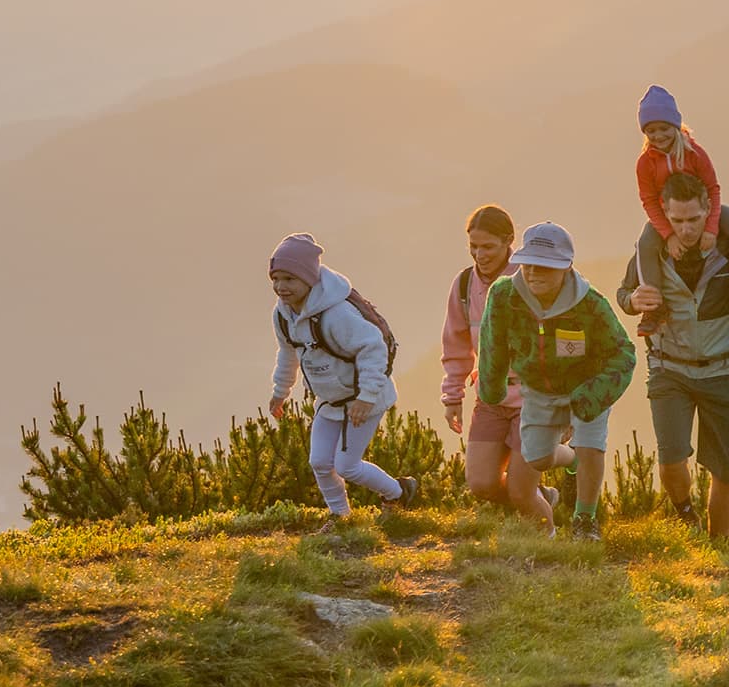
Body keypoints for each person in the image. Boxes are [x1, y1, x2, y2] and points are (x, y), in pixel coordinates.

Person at [617, 173, 729, 539]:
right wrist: (631, 301)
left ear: (709, 210)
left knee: (725, 470)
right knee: (671, 458)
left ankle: (717, 545)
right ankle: (685, 512)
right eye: (677, 221)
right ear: (665, 216)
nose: (686, 230)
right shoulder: (653, 249)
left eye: (694, 220)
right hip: (669, 369)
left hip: (726, 369)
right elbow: (626, 292)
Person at [477, 222, 635, 541]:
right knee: (539, 458)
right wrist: (490, 389)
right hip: (537, 391)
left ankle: (585, 521)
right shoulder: (504, 295)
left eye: (545, 266)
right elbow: (491, 343)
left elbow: (624, 352)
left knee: (592, 445)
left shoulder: (590, 304)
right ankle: (572, 457)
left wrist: (592, 397)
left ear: (566, 267)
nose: (535, 272)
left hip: (587, 387)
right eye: (529, 263)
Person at [266, 233, 418, 525]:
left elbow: (373, 348)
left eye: (289, 279)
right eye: (275, 278)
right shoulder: (283, 315)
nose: (280, 287)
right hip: (331, 400)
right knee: (320, 462)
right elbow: (287, 352)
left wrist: (366, 397)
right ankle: (340, 515)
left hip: (364, 400)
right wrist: (281, 390)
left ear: (309, 278)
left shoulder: (336, 314)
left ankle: (399, 493)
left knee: (347, 466)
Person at [440, 205, 560, 525]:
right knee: (481, 484)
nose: (479, 255)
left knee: (521, 492)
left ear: (510, 241)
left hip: (534, 400)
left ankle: (550, 542)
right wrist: (452, 396)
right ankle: (538, 499)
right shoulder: (464, 285)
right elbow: (456, 345)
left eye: (488, 247)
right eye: (473, 247)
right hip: (491, 397)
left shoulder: (529, 281)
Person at [632, 84, 729, 336]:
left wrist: (711, 228)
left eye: (663, 128)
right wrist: (668, 234)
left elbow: (713, 189)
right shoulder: (644, 164)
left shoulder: (695, 153)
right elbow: (648, 200)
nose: (658, 135)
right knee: (646, 243)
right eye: (651, 130)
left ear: (675, 125)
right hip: (668, 217)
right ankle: (652, 308)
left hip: (705, 211)